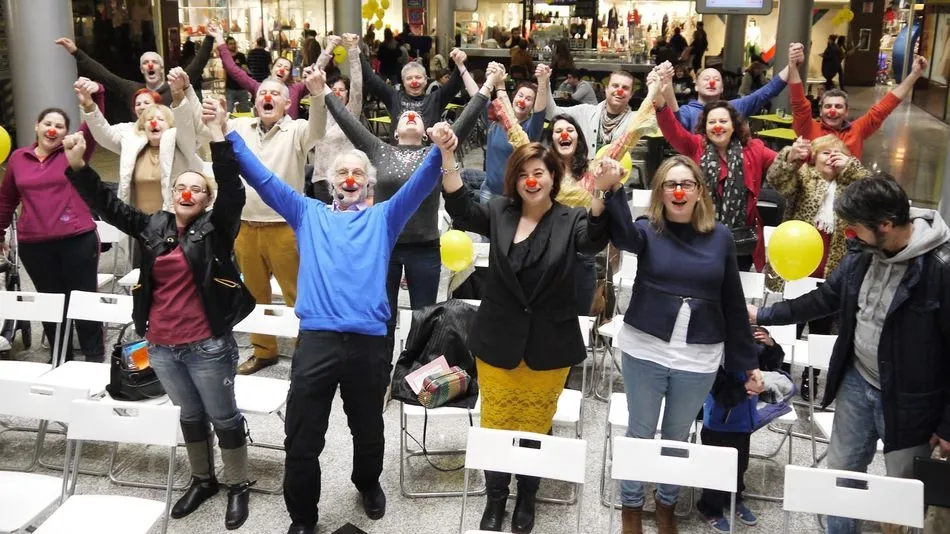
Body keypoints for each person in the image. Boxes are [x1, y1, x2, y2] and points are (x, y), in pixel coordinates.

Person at [226, 94, 457, 534]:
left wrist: (443, 148)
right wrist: (228, 138)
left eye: (358, 174)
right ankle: (302, 517)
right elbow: (263, 178)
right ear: (332, 183)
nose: (350, 179)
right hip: (317, 341)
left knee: (368, 426)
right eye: (342, 174)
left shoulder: (386, 217)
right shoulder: (307, 213)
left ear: (369, 185)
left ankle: (367, 482)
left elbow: (423, 182)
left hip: (369, 342)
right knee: (303, 435)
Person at [63, 99, 256, 530]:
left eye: (197, 189)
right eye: (181, 188)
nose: (187, 194)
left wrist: (220, 138)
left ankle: (238, 484)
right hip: (162, 346)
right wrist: (78, 168)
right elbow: (110, 207)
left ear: (206, 199)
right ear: (172, 194)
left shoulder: (217, 228)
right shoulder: (154, 226)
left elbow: (234, 188)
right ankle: (203, 479)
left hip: (208, 345)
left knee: (224, 416)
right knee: (189, 415)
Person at [748, 175, 950, 534]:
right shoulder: (863, 254)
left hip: (912, 401)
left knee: (902, 492)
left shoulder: (941, 268)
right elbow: (824, 299)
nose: (850, 235)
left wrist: (947, 425)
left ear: (885, 225)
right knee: (840, 477)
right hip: (857, 381)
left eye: (856, 227)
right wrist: (763, 315)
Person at [441, 141, 610, 532]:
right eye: (522, 174)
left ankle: (527, 496)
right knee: (496, 422)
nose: (531, 181)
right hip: (498, 341)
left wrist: (601, 190)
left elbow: (595, 237)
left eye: (539, 173)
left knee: (536, 424)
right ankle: (496, 497)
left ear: (554, 177)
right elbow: (462, 208)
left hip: (549, 346)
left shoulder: (571, 220)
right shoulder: (500, 211)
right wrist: (449, 158)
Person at [599, 154, 761, 534]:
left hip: (699, 356)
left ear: (699, 191)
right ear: (659, 191)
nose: (677, 191)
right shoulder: (648, 228)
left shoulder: (719, 235)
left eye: (686, 184)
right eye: (669, 184)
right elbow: (622, 236)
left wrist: (747, 362)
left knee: (676, 435)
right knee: (640, 432)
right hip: (646, 349)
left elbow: (733, 301)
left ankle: (666, 504)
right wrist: (613, 189)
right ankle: (632, 507)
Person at [326, 62, 487, 361]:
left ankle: (416, 374)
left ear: (426, 132)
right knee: (382, 318)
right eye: (404, 116)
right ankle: (380, 372)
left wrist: (488, 86)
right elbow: (347, 120)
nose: (411, 115)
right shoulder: (379, 149)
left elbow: (467, 119)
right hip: (385, 248)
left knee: (424, 318)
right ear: (395, 130)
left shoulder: (435, 152)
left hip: (425, 249)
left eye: (416, 115)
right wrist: (321, 89)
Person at [176, 67, 326, 376]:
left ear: (287, 104)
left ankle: (305, 351)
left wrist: (318, 95)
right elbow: (206, 128)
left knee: (296, 294)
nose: (267, 97)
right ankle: (263, 350)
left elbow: (319, 129)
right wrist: (188, 93)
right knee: (254, 293)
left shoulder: (297, 130)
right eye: (262, 95)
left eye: (275, 95)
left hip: (285, 227)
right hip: (245, 226)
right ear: (254, 102)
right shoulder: (239, 128)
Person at [0, 87, 106, 365]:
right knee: (51, 306)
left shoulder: (73, 152)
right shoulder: (18, 159)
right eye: (48, 123)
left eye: (59, 126)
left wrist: (95, 97)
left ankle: (95, 362)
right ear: (36, 126)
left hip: (77, 241)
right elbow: (6, 200)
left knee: (84, 304)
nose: (52, 129)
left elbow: (94, 126)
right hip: (35, 247)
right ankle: (60, 362)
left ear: (65, 133)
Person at [764, 135, 870, 399]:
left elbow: (874, 189)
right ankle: (782, 370)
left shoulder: (852, 185)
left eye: (838, 154)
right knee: (791, 323)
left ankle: (813, 377)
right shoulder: (804, 176)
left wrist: (851, 166)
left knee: (823, 326)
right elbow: (777, 181)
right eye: (825, 153)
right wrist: (790, 156)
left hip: (832, 268)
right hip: (798, 264)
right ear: (814, 156)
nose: (831, 158)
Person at [653, 67, 777, 272]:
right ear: (705, 126)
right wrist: (659, 99)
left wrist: (800, 153)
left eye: (723, 121)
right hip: (699, 235)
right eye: (712, 122)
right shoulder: (696, 146)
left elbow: (783, 162)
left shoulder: (754, 149)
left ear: (734, 125)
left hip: (740, 243)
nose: (717, 126)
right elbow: (671, 128)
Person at [697, 326, 788, 531]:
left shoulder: (751, 350)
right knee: (715, 468)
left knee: (740, 464)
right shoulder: (716, 355)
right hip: (718, 425)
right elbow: (721, 394)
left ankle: (735, 497)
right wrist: (745, 388)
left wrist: (771, 346)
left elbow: (774, 365)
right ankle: (710, 507)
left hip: (744, 423)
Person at [78, 67, 203, 215]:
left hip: (173, 222)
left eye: (159, 118)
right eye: (138, 104)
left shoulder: (178, 138)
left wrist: (178, 94)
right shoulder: (129, 136)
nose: (143, 108)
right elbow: (104, 134)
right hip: (138, 224)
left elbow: (187, 125)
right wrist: (89, 105)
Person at [789, 52, 928, 159]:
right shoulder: (807, 128)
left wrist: (914, 75)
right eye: (828, 106)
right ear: (820, 111)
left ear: (846, 112)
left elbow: (884, 107)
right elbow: (799, 104)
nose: (832, 111)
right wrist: (792, 65)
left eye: (838, 107)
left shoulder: (857, 130)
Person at [55, 35, 214, 122]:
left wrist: (209, 38)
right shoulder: (132, 89)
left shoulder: (174, 87)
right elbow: (104, 75)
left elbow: (197, 65)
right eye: (146, 63)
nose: (150, 65)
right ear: (141, 69)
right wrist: (76, 52)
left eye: (154, 62)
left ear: (161, 68)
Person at [667, 43, 804, 132]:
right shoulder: (688, 111)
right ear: (696, 87)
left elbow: (766, 92)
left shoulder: (733, 107)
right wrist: (666, 88)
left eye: (716, 79)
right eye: (706, 79)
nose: (712, 82)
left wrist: (791, 65)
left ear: (722, 88)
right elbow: (673, 124)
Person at [543, 114, 600, 314]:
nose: (564, 134)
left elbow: (626, 139)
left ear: (579, 138)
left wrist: (654, 96)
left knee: (579, 322)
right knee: (546, 320)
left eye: (570, 129)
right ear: (551, 139)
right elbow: (517, 136)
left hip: (582, 257)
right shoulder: (543, 172)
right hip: (547, 255)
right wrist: (497, 88)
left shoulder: (592, 170)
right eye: (557, 131)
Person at [362, 48, 477, 135]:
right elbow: (370, 79)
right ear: (403, 82)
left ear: (426, 80)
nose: (414, 82)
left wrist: (461, 62)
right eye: (409, 78)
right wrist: (355, 51)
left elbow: (455, 83)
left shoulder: (435, 99)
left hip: (428, 158)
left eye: (418, 77)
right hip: (398, 158)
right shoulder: (393, 97)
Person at [480, 63, 550, 203]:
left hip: (514, 196)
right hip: (488, 191)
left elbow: (540, 112)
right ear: (513, 97)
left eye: (529, 99)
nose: (522, 100)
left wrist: (543, 83)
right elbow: (477, 97)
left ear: (532, 106)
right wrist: (489, 79)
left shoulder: (531, 128)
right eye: (520, 95)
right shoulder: (496, 120)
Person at [210, 24, 310, 120]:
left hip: (291, 135)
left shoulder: (297, 89)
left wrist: (325, 54)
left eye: (287, 68)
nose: (282, 70)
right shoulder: (259, 88)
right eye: (279, 66)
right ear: (271, 69)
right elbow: (233, 69)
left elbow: (317, 77)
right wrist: (219, 38)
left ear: (289, 75)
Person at [309, 34, 364, 204]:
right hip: (321, 178)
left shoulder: (351, 112)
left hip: (346, 180)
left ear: (348, 94)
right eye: (334, 89)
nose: (338, 92)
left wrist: (353, 50)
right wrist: (329, 47)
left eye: (342, 90)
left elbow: (357, 84)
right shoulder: (320, 111)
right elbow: (313, 74)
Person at [545, 69, 640, 160]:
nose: (619, 91)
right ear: (606, 89)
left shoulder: (637, 119)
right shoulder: (585, 112)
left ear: (631, 94)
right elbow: (552, 113)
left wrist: (654, 89)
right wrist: (544, 83)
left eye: (625, 88)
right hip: (585, 174)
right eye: (615, 86)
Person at [224, 36, 251, 112]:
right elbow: (225, 72)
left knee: (245, 111)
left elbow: (247, 71)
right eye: (231, 44)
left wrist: (244, 69)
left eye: (234, 43)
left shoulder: (241, 56)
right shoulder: (226, 58)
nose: (233, 45)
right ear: (227, 45)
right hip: (230, 88)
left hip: (242, 88)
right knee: (228, 111)